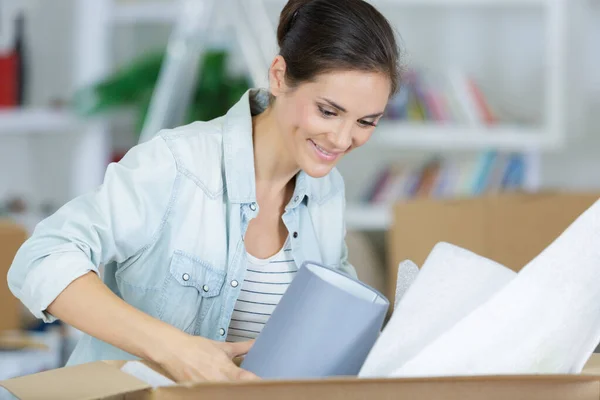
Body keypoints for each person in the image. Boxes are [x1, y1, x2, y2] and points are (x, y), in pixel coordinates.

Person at [7, 0, 401, 383]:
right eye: (328, 111)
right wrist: (173, 348)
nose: (341, 138)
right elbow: (40, 259)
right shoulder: (178, 164)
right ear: (279, 76)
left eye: (366, 121)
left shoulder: (326, 192)